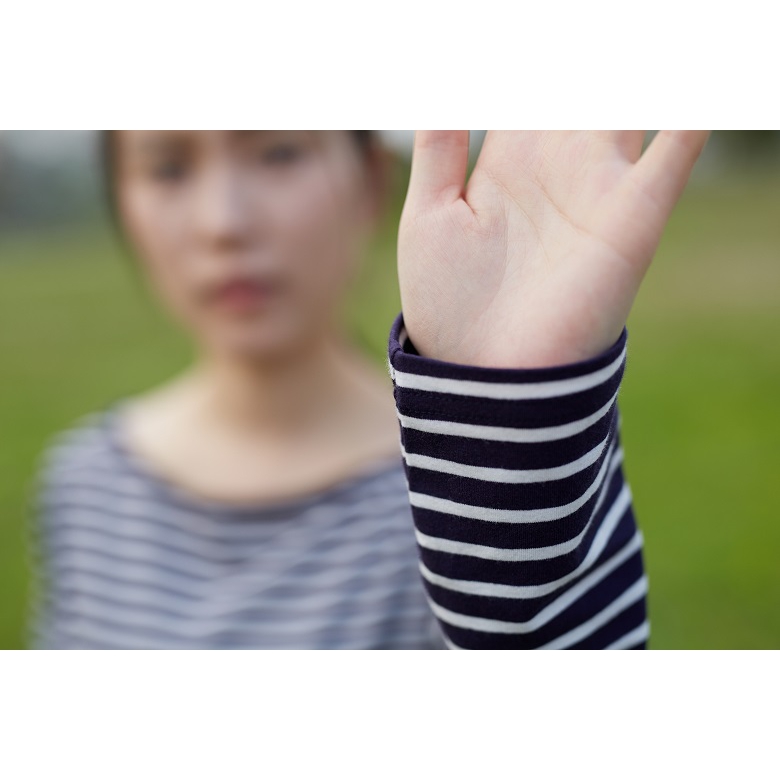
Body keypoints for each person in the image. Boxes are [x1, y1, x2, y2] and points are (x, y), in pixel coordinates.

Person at [28, 130, 709, 649]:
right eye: (168, 169)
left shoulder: (458, 495)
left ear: (372, 182)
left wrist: (506, 428)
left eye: (278, 153)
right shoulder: (82, 483)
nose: (223, 222)